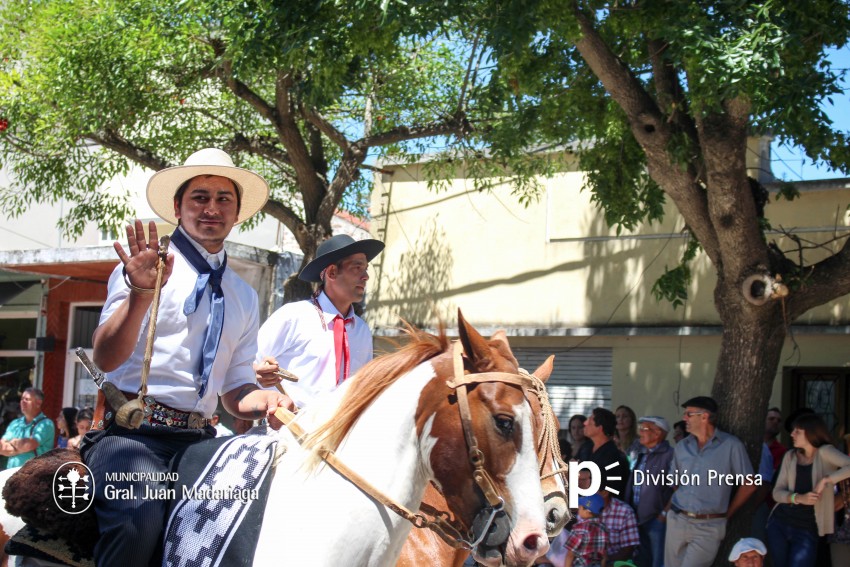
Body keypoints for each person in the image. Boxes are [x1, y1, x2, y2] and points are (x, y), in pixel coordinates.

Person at [82, 148, 292, 567]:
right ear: (178, 207)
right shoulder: (143, 269)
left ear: (237, 213)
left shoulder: (243, 295)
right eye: (199, 197)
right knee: (136, 519)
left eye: (223, 199)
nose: (211, 208)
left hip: (200, 441)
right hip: (131, 438)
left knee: (253, 518)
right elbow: (105, 357)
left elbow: (235, 389)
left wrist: (266, 400)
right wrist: (141, 293)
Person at [255, 233, 384, 408]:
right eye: (357, 268)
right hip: (288, 429)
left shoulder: (361, 331)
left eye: (366, 269)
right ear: (332, 272)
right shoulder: (293, 317)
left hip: (340, 431)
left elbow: (362, 386)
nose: (366, 276)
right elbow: (251, 366)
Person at [664, 396, 758, 567]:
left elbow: (749, 484)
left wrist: (726, 514)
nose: (684, 418)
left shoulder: (731, 445)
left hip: (708, 525)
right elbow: (675, 482)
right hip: (678, 519)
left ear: (704, 416)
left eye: (689, 414)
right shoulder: (682, 446)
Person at [767, 412, 850, 567]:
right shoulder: (790, 456)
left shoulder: (826, 452)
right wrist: (798, 498)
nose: (792, 434)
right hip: (779, 524)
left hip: (807, 528)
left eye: (797, 431)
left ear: (811, 432)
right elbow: (777, 493)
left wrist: (827, 480)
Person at [625, 416, 674, 567]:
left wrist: (663, 514)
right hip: (637, 518)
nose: (640, 433)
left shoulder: (670, 455)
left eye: (644, 429)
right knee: (641, 561)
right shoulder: (643, 454)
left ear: (657, 433)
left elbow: (678, 488)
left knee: (658, 562)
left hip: (657, 520)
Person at [0, 388, 55, 468]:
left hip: (33, 476)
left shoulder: (46, 424)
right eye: (22, 399)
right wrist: (20, 447)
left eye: (27, 399)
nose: (23, 402)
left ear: (38, 403)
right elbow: (1, 447)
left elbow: (29, 445)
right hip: (11, 475)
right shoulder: (15, 423)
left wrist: (12, 443)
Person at [584, 407, 630, 498]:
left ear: (599, 428)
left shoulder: (614, 456)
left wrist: (584, 475)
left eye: (589, 421)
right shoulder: (586, 448)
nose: (584, 423)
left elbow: (609, 485)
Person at [599, 483, 639, 562]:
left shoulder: (625, 512)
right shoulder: (584, 509)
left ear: (605, 492)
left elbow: (628, 550)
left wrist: (604, 561)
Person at [564, 494, 608, 567]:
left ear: (587, 511)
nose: (578, 508)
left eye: (580, 507)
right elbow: (604, 555)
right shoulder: (603, 528)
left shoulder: (579, 529)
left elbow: (570, 555)